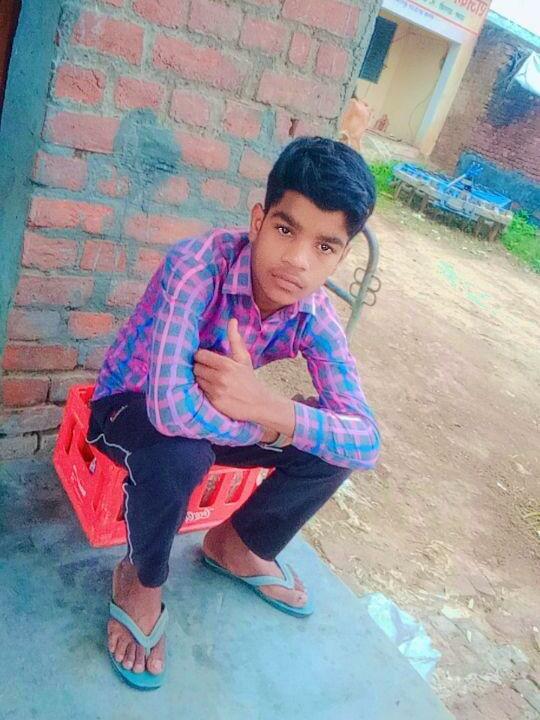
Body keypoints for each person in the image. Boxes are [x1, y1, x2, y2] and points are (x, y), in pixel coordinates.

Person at [88, 136, 380, 689]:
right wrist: (261, 423)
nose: (297, 261)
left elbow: (366, 440)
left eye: (324, 246)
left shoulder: (314, 313)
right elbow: (168, 409)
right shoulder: (197, 265)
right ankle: (140, 577)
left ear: (341, 256)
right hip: (129, 406)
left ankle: (236, 546)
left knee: (332, 444)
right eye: (286, 230)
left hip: (221, 415)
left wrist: (271, 410)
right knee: (182, 453)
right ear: (258, 221)